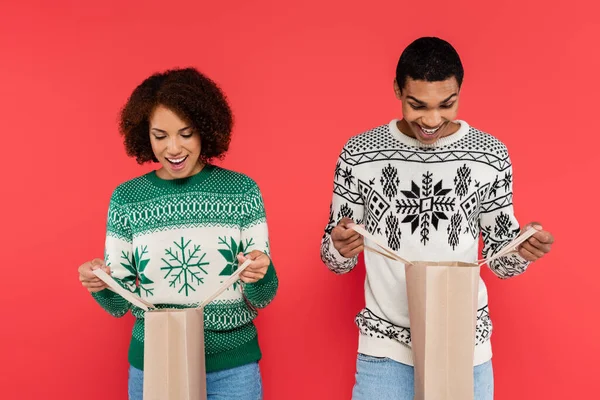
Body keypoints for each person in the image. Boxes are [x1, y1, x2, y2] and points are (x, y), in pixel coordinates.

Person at [320, 37, 554, 400]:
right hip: (386, 348)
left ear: (460, 90)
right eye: (417, 105)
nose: (431, 120)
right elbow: (332, 259)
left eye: (447, 104)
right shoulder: (359, 154)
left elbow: (501, 261)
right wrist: (340, 247)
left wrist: (521, 250)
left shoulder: (490, 156)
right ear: (398, 89)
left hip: (464, 346)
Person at [77, 67, 278, 400]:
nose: (173, 148)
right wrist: (100, 283)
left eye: (186, 134)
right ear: (145, 135)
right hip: (155, 362)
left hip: (231, 369)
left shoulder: (242, 191)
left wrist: (261, 272)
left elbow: (263, 296)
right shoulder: (126, 199)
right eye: (160, 135)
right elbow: (118, 304)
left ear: (205, 129)